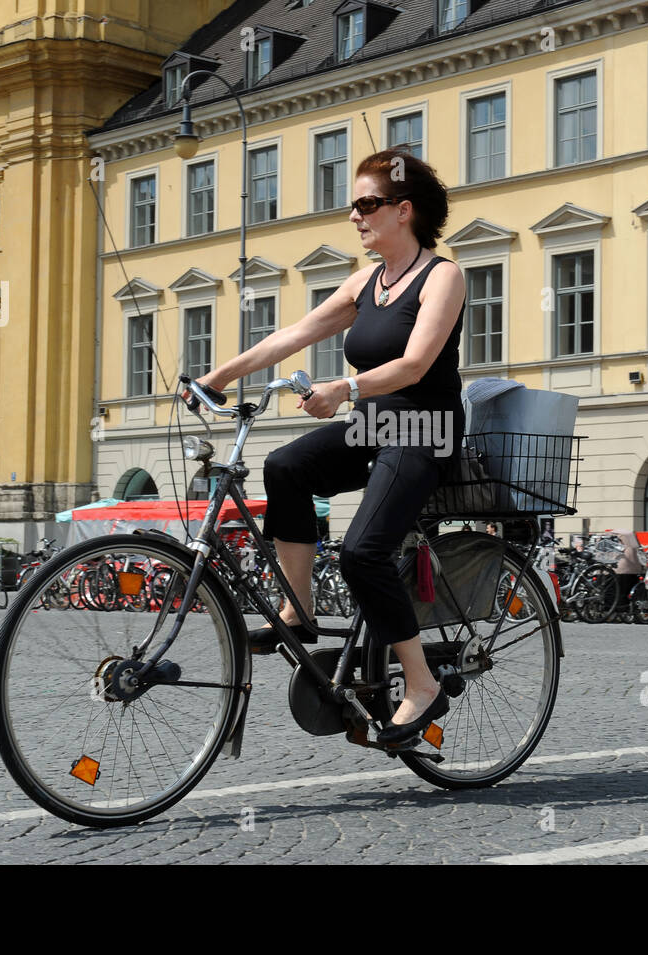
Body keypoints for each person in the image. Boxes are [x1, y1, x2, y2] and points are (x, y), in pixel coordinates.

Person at [196, 148, 464, 745]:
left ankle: (420, 685)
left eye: (367, 204)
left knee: (363, 553)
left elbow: (417, 364)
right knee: (285, 466)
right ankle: (298, 610)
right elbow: (294, 334)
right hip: (373, 430)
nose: (355, 216)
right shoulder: (365, 280)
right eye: (353, 205)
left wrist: (345, 387)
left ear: (404, 211)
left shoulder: (442, 275)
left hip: (424, 433)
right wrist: (215, 379)